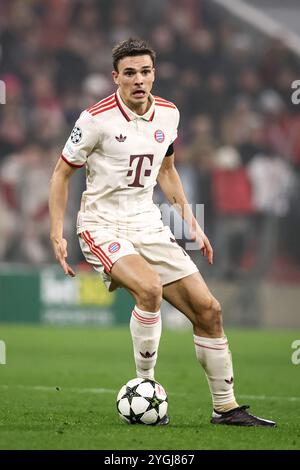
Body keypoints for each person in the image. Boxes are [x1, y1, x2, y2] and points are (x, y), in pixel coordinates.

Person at [49, 38, 276, 427]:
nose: (139, 79)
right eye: (130, 73)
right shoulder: (94, 119)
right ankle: (147, 386)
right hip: (101, 225)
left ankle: (226, 408)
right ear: (115, 77)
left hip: (148, 222)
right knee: (150, 288)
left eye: (146, 71)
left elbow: (167, 171)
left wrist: (191, 223)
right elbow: (61, 173)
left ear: (154, 73)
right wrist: (57, 231)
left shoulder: (169, 114)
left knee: (209, 310)